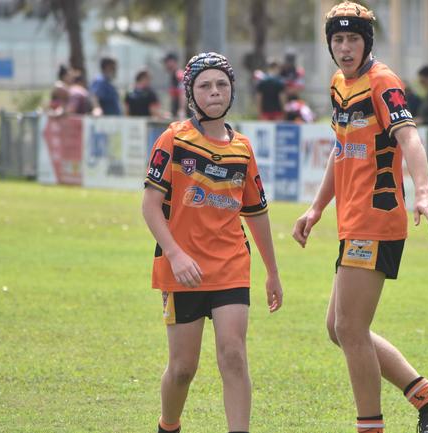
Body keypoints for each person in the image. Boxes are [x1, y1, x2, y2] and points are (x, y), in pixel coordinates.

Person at [292, 3, 428, 433]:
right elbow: (340, 147)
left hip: (377, 218)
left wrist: (423, 191)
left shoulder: (382, 81)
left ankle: (370, 426)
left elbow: (409, 136)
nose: (345, 48)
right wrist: (317, 207)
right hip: (351, 221)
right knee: (339, 328)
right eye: (338, 39)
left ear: (367, 42)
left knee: (350, 327)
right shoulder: (338, 85)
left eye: (353, 39)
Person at [142, 52, 283, 433]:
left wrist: (272, 272)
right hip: (181, 270)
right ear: (191, 93)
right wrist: (175, 254)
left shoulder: (243, 148)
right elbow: (150, 207)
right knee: (183, 368)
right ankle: (167, 426)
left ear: (232, 90)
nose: (215, 91)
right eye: (205, 85)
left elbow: (256, 213)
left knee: (234, 355)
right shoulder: (174, 139)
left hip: (230, 265)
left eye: (222, 84)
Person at [163, 52, 187, 118]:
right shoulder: (172, 76)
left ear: (172, 61)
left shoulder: (179, 75)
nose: (165, 64)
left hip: (183, 115)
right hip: (175, 114)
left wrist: (182, 110)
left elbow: (183, 93)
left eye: (166, 61)